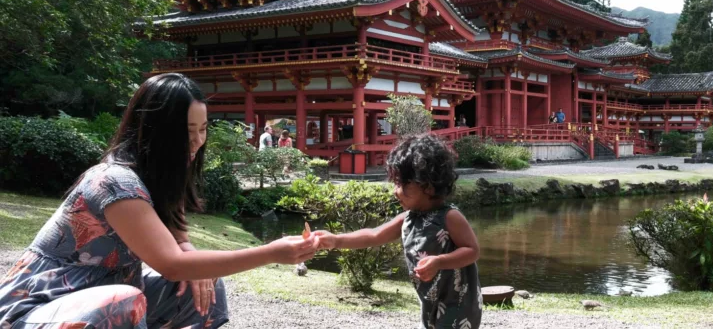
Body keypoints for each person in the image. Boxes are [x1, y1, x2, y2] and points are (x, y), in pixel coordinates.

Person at [0, 73, 319, 328]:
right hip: (34, 310)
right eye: (186, 131)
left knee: (206, 287)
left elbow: (181, 244)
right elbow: (171, 264)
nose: (197, 141)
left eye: (203, 129)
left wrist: (197, 261)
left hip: (98, 298)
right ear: (155, 130)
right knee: (121, 302)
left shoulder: (165, 175)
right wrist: (271, 252)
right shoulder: (115, 182)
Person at [316, 134, 482, 329]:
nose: (395, 191)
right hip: (429, 299)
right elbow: (374, 235)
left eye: (401, 184)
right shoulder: (409, 217)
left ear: (427, 186)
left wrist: (439, 261)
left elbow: (472, 251)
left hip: (458, 304)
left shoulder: (449, 217)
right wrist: (336, 240)